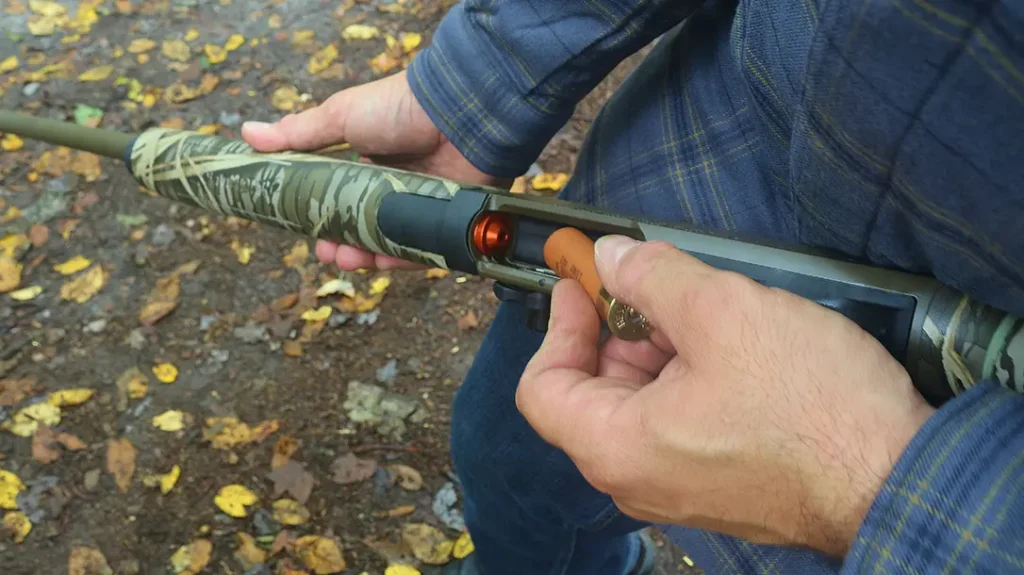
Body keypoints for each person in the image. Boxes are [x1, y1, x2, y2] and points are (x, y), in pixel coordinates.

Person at [241, 0, 1024, 572]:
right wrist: (469, 87)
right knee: (504, 450)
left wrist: (884, 489)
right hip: (717, 150)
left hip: (940, 458)